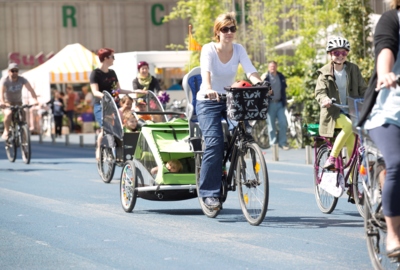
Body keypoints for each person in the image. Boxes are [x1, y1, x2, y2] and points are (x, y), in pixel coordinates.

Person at [196, 12, 263, 210]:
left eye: (232, 28)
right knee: (215, 142)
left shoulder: (238, 49)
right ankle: (209, 193)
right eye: (225, 29)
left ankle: (237, 158)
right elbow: (205, 72)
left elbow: (250, 71)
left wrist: (261, 83)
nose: (229, 32)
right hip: (208, 101)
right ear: (217, 31)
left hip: (231, 99)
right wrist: (208, 89)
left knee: (244, 132)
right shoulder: (208, 49)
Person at [358, 0, 400, 259]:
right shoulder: (392, 19)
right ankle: (394, 235)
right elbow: (385, 48)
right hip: (389, 112)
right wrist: (385, 73)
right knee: (397, 162)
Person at [315, 36, 367, 169]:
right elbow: (320, 92)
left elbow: (363, 88)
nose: (340, 56)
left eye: (343, 52)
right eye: (336, 53)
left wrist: (370, 98)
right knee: (349, 126)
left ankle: (351, 188)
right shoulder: (324, 73)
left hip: (351, 110)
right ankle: (332, 157)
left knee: (352, 150)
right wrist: (325, 99)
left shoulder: (353, 69)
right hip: (333, 112)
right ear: (330, 54)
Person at [90, 47, 146, 160]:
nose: (113, 59)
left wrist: (134, 91)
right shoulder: (95, 73)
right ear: (106, 58)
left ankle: (120, 149)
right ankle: (98, 148)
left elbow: (118, 90)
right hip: (101, 105)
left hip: (114, 104)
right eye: (112, 57)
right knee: (105, 127)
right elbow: (95, 91)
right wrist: (106, 97)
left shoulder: (112, 73)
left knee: (122, 123)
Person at [0, 63, 39, 139]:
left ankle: (23, 132)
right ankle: (6, 130)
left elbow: (31, 90)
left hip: (18, 102)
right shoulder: (5, 80)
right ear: (9, 71)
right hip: (7, 103)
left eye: (16, 71)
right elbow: (1, 93)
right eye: (12, 71)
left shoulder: (22, 79)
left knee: (23, 114)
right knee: (8, 114)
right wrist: (2, 102)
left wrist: (35, 100)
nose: (14, 73)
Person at [262, 61, 289, 150]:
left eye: (274, 66)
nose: (272, 68)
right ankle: (273, 144)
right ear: (268, 67)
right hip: (270, 104)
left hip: (280, 103)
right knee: (271, 125)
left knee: (283, 123)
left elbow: (283, 89)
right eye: (271, 66)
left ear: (276, 67)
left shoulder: (281, 76)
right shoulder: (265, 77)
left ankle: (282, 143)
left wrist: (285, 100)